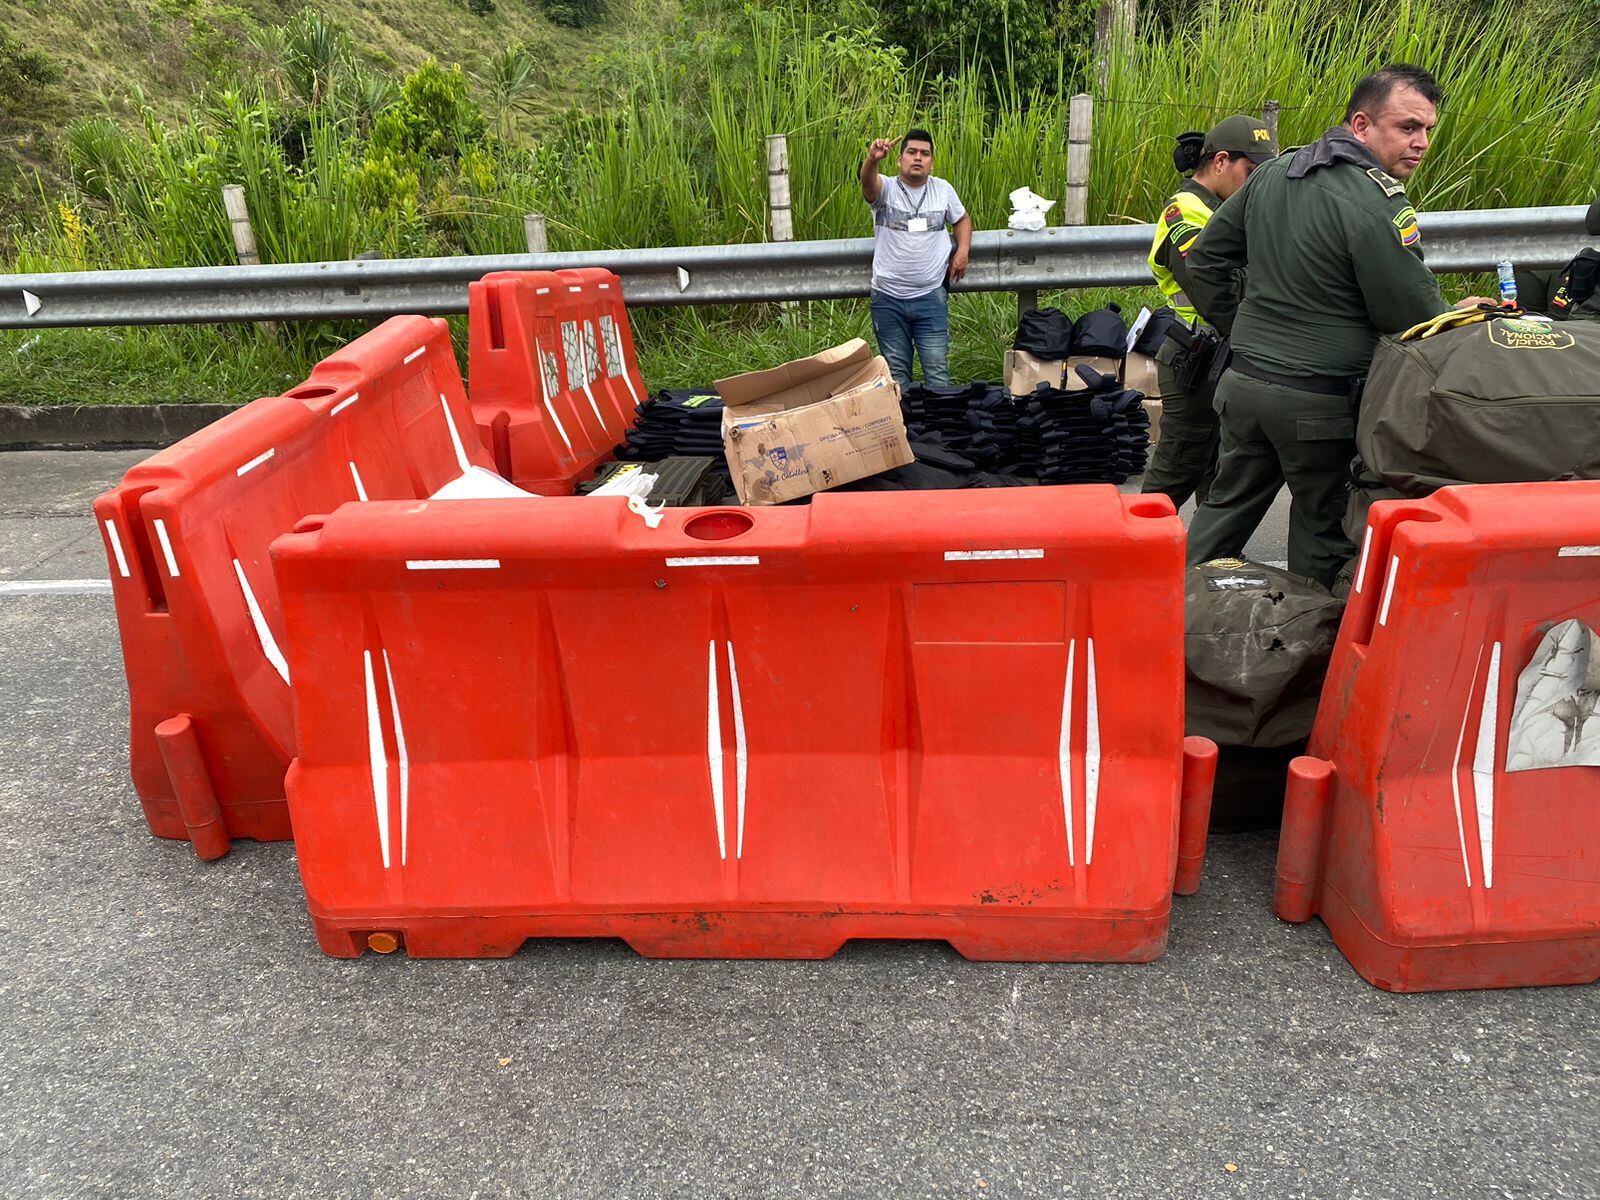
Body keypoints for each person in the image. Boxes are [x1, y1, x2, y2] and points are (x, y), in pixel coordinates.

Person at [1183, 64, 1493, 586]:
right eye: (1407, 127)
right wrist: (1460, 317)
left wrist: (1244, 331)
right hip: (1319, 407)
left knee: (1221, 514)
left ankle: (1155, 623)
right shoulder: (1378, 205)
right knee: (1322, 531)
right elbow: (1412, 317)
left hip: (1246, 386)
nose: (1420, 143)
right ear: (1362, 125)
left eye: (1427, 130)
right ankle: (1312, 653)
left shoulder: (1275, 172)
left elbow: (1207, 258)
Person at [1141, 115, 1278, 507]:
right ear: (1220, 162)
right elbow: (1214, 292)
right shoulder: (1185, 212)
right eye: (1249, 172)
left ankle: (1210, 564)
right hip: (1197, 359)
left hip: (1222, 357)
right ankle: (1131, 555)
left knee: (1219, 476)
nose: (1254, 184)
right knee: (1176, 469)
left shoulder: (1225, 208)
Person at [861, 128, 973, 388]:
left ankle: (941, 427)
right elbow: (867, 183)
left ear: (932, 162)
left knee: (937, 374)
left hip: (930, 298)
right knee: (897, 379)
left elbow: (962, 220)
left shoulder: (942, 189)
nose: (918, 158)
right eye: (911, 152)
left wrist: (963, 250)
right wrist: (873, 159)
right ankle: (905, 428)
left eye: (925, 153)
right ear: (900, 159)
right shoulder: (886, 188)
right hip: (888, 299)